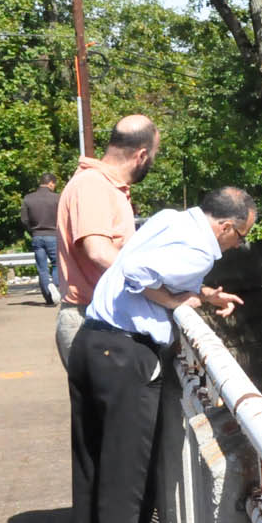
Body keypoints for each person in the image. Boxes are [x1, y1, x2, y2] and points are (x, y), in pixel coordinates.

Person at [68, 186, 252, 523]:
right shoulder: (201, 250)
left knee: (90, 465)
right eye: (242, 236)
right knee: (128, 476)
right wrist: (173, 302)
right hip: (126, 355)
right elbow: (138, 272)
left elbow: (150, 264)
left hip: (91, 344)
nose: (239, 245)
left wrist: (203, 295)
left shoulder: (172, 219)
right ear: (226, 226)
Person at [54, 115, 159, 368]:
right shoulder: (93, 185)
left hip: (98, 321)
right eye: (155, 156)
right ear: (142, 155)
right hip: (91, 320)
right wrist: (157, 290)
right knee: (113, 408)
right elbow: (99, 251)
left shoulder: (107, 186)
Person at [19, 173, 61, 304]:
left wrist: (32, 230)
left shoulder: (28, 198)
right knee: (57, 264)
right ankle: (56, 290)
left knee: (42, 268)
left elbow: (24, 220)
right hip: (53, 235)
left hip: (37, 236)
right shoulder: (57, 198)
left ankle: (48, 297)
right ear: (51, 183)